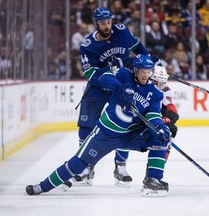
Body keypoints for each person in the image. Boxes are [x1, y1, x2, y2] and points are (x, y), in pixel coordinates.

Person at [25, 54, 170, 197]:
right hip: (105, 134)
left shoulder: (155, 94)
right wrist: (121, 88)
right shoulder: (124, 75)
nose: (145, 75)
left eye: (148, 71)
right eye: (142, 71)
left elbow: (153, 115)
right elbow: (104, 77)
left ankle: (153, 179)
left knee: (161, 138)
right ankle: (42, 186)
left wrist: (160, 127)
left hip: (130, 135)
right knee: (78, 164)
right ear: (135, 70)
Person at [74, 7, 149, 186]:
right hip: (98, 88)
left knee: (125, 124)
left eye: (108, 21)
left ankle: (120, 167)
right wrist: (110, 70)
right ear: (96, 24)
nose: (107, 25)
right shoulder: (88, 46)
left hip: (123, 86)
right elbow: (91, 75)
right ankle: (85, 167)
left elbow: (137, 47)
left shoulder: (122, 32)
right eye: (102, 22)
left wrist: (149, 61)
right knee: (86, 126)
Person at [113, 65, 179, 187]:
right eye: (156, 82)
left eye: (162, 82)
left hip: (148, 123)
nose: (159, 86)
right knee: (123, 130)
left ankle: (152, 175)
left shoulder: (163, 91)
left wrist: (164, 122)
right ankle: (120, 166)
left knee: (167, 134)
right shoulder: (135, 87)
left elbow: (173, 112)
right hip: (130, 122)